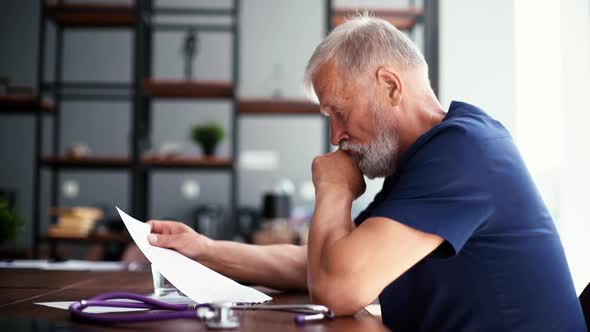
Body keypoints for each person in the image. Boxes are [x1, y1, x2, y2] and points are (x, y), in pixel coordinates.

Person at [146, 15, 587, 331]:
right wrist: (205, 250)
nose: (336, 136)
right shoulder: (419, 160)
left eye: (339, 112)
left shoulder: (465, 152)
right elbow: (323, 265)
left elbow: (338, 288)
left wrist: (334, 188)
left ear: (390, 86)